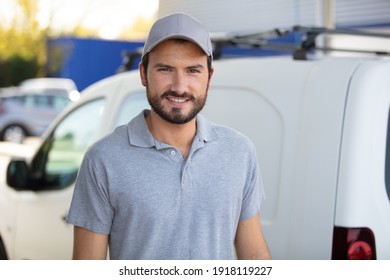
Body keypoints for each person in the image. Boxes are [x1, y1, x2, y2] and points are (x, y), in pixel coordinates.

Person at [66, 12, 270, 260]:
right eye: (165, 69)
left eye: (193, 70)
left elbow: (254, 257)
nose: (179, 86)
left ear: (209, 77)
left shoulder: (239, 152)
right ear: (143, 74)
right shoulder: (103, 160)